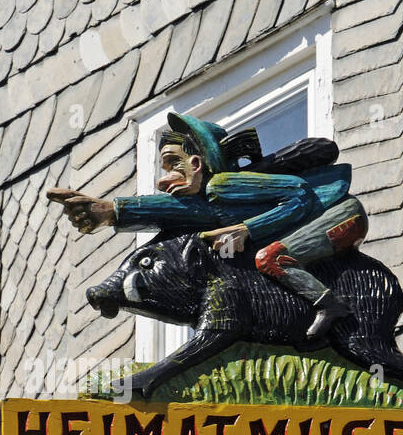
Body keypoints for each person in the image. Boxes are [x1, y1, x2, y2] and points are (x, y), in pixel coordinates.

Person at [46, 112, 369, 338]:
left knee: (269, 258)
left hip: (341, 216)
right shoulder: (212, 203)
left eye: (173, 163)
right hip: (322, 221)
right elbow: (175, 210)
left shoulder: (222, 185)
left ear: (197, 164)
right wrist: (112, 210)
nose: (163, 179)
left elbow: (299, 195)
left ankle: (330, 306)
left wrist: (247, 230)